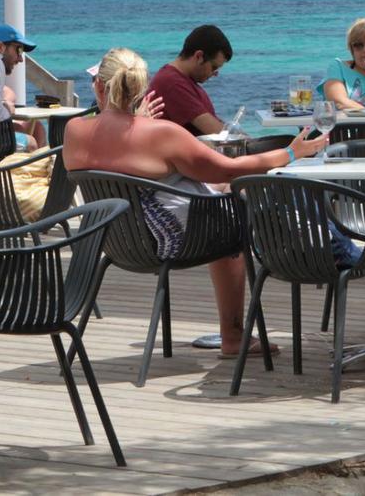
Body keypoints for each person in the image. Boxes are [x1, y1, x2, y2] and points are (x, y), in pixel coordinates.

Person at [65, 48, 331, 357]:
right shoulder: (161, 134)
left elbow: (120, 152)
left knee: (218, 193)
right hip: (165, 240)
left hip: (115, 240)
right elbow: (228, 167)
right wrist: (291, 153)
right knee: (235, 218)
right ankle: (233, 334)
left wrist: (137, 122)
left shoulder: (74, 131)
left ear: (100, 85)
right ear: (141, 88)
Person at [144, 24, 232, 136]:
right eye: (213, 67)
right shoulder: (172, 83)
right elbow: (219, 133)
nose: (215, 74)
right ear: (199, 56)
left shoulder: (182, 80)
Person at [317, 17, 365, 110]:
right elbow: (338, 102)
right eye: (358, 45)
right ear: (352, 49)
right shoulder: (338, 67)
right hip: (344, 124)